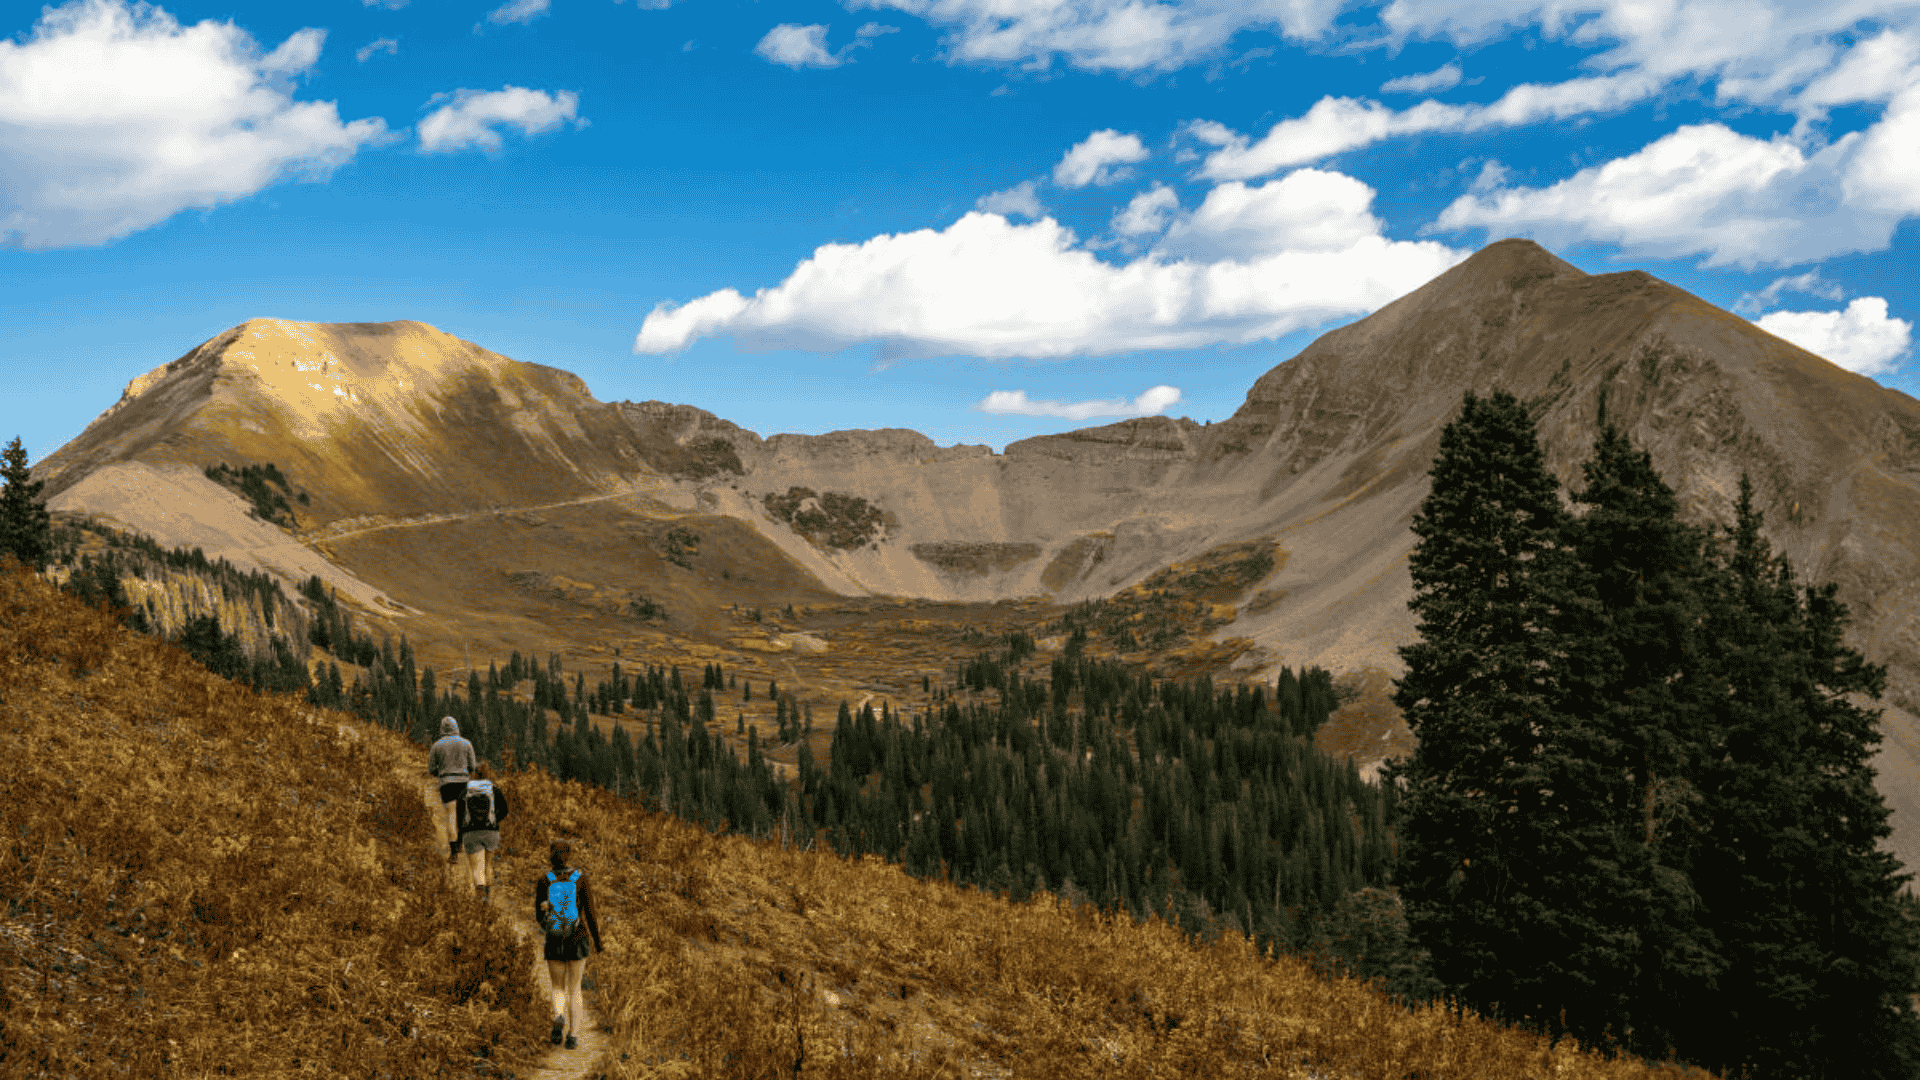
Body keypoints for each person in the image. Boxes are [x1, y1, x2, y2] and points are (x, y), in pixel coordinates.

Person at [536, 839, 603, 1050]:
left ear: (551, 855)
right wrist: (598, 942)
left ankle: (559, 1015)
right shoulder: (580, 879)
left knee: (557, 986)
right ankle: (573, 1036)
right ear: (568, 855)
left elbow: (538, 916)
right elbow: (590, 913)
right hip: (578, 939)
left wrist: (549, 919)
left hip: (554, 940)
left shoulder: (545, 880)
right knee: (575, 989)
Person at [455, 762, 509, 902]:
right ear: (488, 773)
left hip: (471, 832)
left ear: (472, 774)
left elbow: (459, 817)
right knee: (488, 866)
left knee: (477, 868)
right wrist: (494, 820)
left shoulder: (465, 790)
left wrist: (458, 841)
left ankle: (480, 899)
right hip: (491, 831)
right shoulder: (494, 789)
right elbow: (505, 810)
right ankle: (487, 898)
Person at [428, 716, 477, 863]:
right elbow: (473, 766)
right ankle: (460, 844)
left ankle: (453, 853)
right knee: (462, 816)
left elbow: (431, 769)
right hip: (463, 783)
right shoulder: (466, 743)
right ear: (456, 727)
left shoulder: (436, 746)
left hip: (446, 784)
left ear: (442, 728)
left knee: (451, 815)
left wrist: (442, 773)